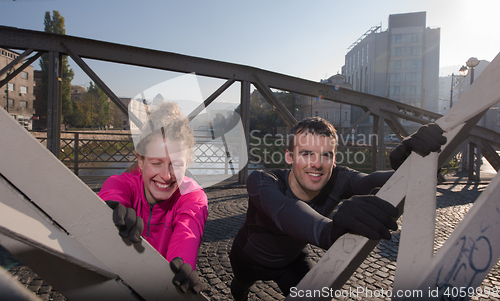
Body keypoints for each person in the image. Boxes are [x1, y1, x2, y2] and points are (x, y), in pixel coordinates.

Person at [229, 117, 446, 300]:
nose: (317, 164)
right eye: (306, 153)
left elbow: (370, 181)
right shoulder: (262, 181)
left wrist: (414, 166)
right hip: (247, 259)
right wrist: (329, 231)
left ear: (334, 161)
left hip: (291, 262)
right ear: (289, 157)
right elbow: (285, 210)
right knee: (240, 289)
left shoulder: (338, 179)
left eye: (326, 155)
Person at [98, 102, 208, 294]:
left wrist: (180, 264)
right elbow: (113, 193)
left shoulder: (192, 197)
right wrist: (111, 212)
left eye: (176, 165)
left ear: (188, 162)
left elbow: (188, 231)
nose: (166, 176)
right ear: (140, 160)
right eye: (156, 163)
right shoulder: (124, 184)